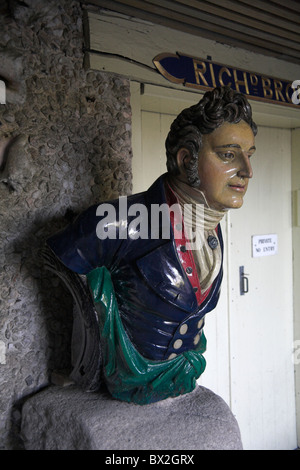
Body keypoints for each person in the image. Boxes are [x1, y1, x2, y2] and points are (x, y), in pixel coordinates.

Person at [46, 86, 257, 404]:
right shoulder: (120, 221)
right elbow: (59, 258)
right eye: (229, 154)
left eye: (249, 155)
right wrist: (89, 353)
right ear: (187, 158)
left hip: (182, 375)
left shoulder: (212, 228)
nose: (247, 171)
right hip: (129, 379)